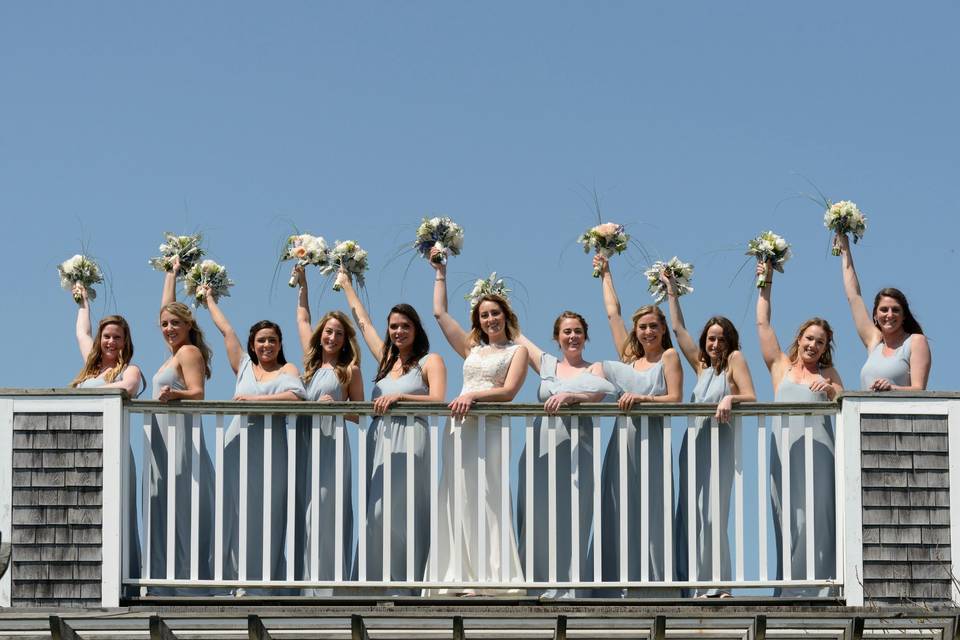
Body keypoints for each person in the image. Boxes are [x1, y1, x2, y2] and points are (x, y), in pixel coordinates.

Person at [336, 269, 446, 591]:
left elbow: (438, 399)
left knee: (406, 508)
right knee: (378, 510)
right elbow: (363, 323)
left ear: (416, 329)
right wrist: (346, 284)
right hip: (380, 439)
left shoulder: (430, 361)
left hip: (411, 438)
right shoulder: (385, 360)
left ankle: (407, 584)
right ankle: (375, 584)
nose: (398, 331)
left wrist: (401, 396)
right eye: (394, 326)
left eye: (405, 326)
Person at [429, 253, 528, 592]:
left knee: (488, 494)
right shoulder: (472, 348)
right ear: (478, 320)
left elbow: (510, 391)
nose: (490, 319)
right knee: (457, 493)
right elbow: (440, 314)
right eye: (484, 315)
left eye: (495, 313)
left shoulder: (516, 351)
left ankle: (491, 577)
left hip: (490, 426)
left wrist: (474, 397)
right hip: (459, 427)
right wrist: (441, 273)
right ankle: (458, 573)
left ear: (506, 315)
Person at [657, 272, 756, 597]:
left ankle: (718, 584)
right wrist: (672, 292)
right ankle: (693, 585)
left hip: (719, 447)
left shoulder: (734, 361)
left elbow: (752, 396)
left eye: (721, 339)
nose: (715, 344)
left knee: (714, 513)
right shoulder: (701, 367)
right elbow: (678, 331)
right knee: (692, 513)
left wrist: (730, 397)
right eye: (711, 339)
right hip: (694, 446)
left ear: (729, 341)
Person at [203, 288, 305, 588]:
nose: (267, 345)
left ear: (280, 343)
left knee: (269, 508)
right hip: (239, 443)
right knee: (236, 508)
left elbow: (297, 396)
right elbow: (226, 330)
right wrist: (208, 297)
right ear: (253, 344)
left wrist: (253, 402)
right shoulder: (244, 366)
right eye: (261, 340)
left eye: (272, 340)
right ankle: (235, 579)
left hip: (272, 445)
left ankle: (265, 580)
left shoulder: (288, 369)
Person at [593, 255, 683, 594]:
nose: (647, 331)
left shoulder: (669, 358)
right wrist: (605, 270)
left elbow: (675, 399)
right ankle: (618, 580)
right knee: (620, 501)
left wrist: (642, 400)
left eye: (653, 326)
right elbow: (612, 313)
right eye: (642, 326)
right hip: (624, 439)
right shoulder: (630, 358)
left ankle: (655, 581)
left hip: (652, 439)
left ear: (661, 330)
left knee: (651, 502)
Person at [756, 261, 843, 597]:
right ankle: (791, 587)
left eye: (820, 343)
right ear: (800, 338)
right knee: (788, 514)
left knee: (818, 513)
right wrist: (766, 279)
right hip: (785, 450)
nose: (813, 346)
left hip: (821, 451)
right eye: (810, 339)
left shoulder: (830, 373)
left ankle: (821, 587)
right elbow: (762, 323)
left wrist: (832, 390)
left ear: (825, 348)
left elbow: (845, 402)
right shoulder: (781, 366)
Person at [514, 311, 615, 597]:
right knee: (538, 514)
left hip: (578, 450)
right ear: (557, 337)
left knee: (574, 514)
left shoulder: (596, 368)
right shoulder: (546, 363)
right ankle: (534, 585)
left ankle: (569, 586)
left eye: (578, 331)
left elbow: (599, 395)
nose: (572, 336)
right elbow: (515, 332)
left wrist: (573, 396)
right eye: (567, 332)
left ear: (586, 336)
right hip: (541, 449)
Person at [68, 284, 145, 584]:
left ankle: (122, 576)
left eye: (117, 337)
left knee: (115, 510)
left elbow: (128, 389)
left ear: (125, 342)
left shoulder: (130, 370)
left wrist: (91, 393)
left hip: (113, 448)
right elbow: (81, 332)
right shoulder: (90, 370)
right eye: (107, 336)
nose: (111, 341)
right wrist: (82, 301)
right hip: (83, 445)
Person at [293, 265, 362, 590]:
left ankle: (326, 585)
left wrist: (339, 408)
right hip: (303, 442)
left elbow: (359, 414)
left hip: (331, 444)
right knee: (302, 508)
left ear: (345, 339)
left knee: (325, 508)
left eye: (338, 333)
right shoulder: (308, 367)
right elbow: (302, 319)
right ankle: (301, 583)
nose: (331, 337)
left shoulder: (350, 370)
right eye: (328, 331)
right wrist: (303, 284)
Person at [151, 261, 216, 590]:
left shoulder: (188, 351)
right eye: (164, 324)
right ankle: (167, 579)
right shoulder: (172, 352)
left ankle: (188, 583)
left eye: (175, 323)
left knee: (181, 503)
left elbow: (198, 393)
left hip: (180, 438)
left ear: (188, 324)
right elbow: (165, 307)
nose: (168, 328)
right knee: (164, 503)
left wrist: (174, 393)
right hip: (163, 437)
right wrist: (171, 273)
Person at [835, 233, 931, 391]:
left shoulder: (915, 342)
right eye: (884, 310)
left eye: (896, 310)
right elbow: (853, 296)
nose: (890, 315)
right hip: (867, 415)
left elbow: (919, 389)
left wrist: (892, 388)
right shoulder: (874, 342)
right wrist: (845, 248)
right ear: (875, 316)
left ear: (904, 315)